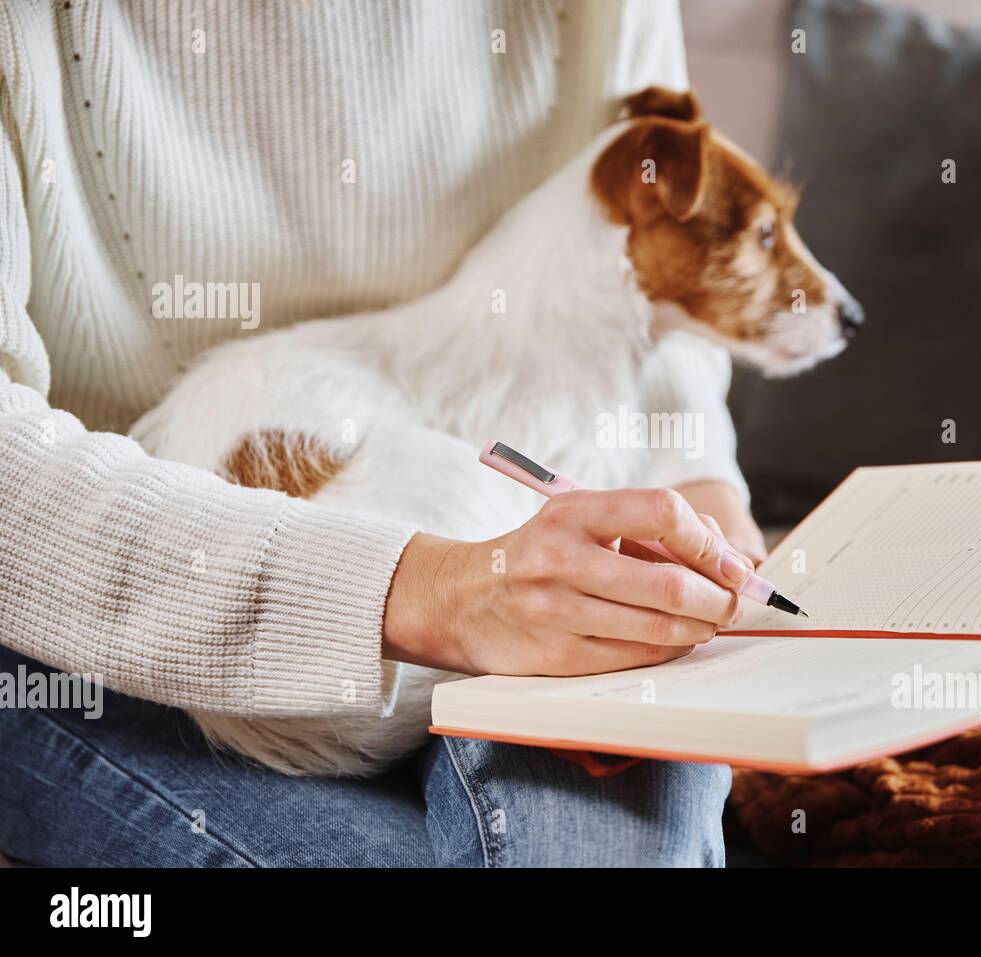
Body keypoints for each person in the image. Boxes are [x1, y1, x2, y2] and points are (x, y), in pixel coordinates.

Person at [0, 1, 764, 867]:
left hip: (493, 549)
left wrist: (696, 481)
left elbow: (647, 272)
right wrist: (436, 592)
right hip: (99, 605)